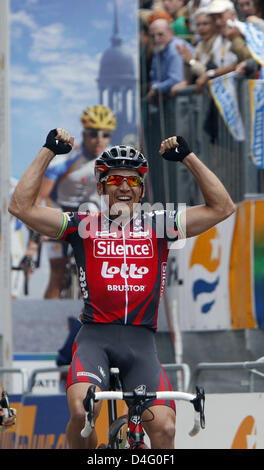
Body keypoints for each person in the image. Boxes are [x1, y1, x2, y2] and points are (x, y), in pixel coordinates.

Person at [8, 128, 235, 449]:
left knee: (166, 430)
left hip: (141, 343)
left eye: (133, 180)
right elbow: (21, 207)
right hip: (95, 339)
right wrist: (47, 151)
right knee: (81, 410)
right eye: (115, 181)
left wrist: (188, 157)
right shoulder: (82, 225)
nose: (125, 187)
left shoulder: (160, 224)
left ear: (142, 190)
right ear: (101, 187)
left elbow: (222, 207)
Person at [37, 105, 116, 299]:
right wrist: (36, 234)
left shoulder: (110, 158)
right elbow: (41, 196)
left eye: (105, 134)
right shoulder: (66, 159)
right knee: (57, 272)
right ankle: (50, 323)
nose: (99, 139)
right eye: (93, 134)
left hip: (88, 210)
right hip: (60, 209)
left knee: (92, 271)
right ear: (84, 133)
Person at [195, 0, 253, 91]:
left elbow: (246, 61)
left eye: (221, 17)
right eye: (214, 19)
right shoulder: (217, 42)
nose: (218, 22)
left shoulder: (246, 30)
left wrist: (212, 73)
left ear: (232, 15)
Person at [147, 17, 194, 102]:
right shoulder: (159, 49)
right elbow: (154, 77)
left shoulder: (175, 48)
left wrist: (155, 88)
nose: (156, 39)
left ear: (171, 33)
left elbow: (176, 80)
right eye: (152, 36)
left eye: (160, 34)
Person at [172, 8, 218, 90]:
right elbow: (189, 76)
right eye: (198, 25)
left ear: (214, 25)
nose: (201, 28)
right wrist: (186, 61)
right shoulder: (200, 45)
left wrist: (191, 61)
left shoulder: (218, 42)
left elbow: (207, 74)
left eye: (205, 24)